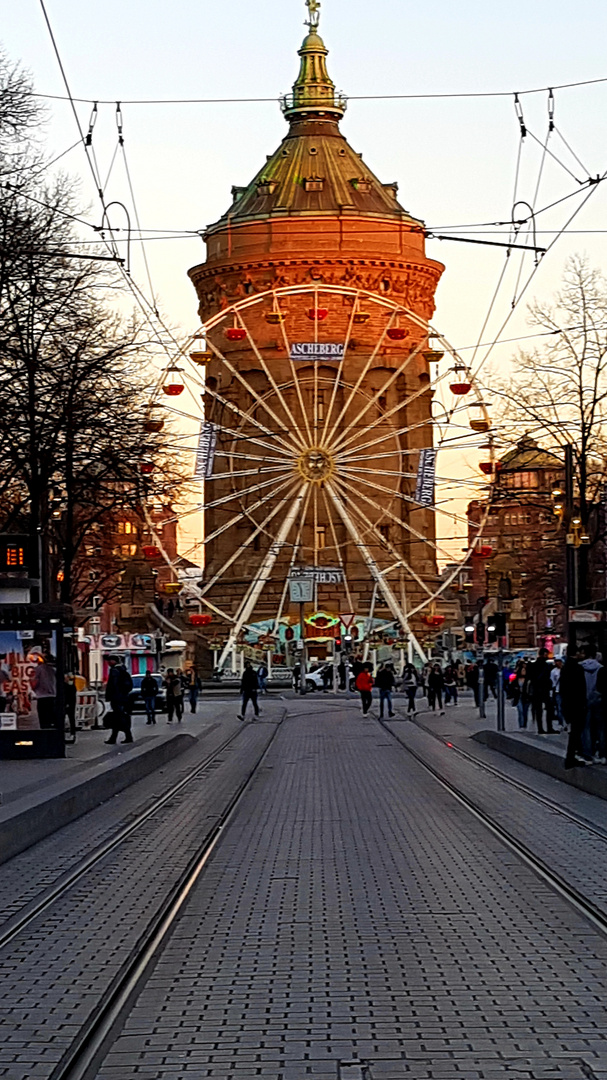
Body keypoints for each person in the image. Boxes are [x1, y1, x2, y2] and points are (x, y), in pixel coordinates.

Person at [561, 648, 591, 767]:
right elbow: (581, 689)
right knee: (576, 732)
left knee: (573, 732)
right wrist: (583, 703)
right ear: (576, 653)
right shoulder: (577, 668)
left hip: (568, 705)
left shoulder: (565, 668)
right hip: (577, 705)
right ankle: (572, 756)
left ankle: (573, 755)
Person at [579, 645, 604, 762]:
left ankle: (588, 753)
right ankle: (603, 753)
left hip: (584, 699)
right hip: (598, 699)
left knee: (586, 728)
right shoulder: (601, 668)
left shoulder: (580, 668)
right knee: (601, 728)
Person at [104, 655, 133, 744]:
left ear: (114, 661)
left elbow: (113, 685)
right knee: (117, 717)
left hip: (117, 698)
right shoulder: (123, 670)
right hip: (123, 698)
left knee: (119, 717)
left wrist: (111, 696)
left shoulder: (115, 671)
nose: (108, 663)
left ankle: (128, 736)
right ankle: (114, 738)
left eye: (109, 661)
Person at [528, 648, 554, 733]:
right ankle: (549, 727)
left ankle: (540, 728)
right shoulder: (546, 666)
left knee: (539, 710)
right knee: (549, 709)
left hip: (537, 689)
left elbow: (531, 677)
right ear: (543, 654)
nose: (547, 656)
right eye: (546, 654)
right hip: (544, 689)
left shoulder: (533, 665)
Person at [30, 651, 57, 730]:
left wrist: (32, 685)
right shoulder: (53, 669)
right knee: (52, 720)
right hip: (53, 697)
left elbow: (34, 683)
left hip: (42, 697)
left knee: (44, 722)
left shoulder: (38, 669)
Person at [511, 660, 532, 729]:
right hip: (518, 697)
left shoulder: (528, 680)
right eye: (522, 670)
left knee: (525, 712)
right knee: (520, 711)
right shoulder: (516, 679)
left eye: (524, 670)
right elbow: (511, 686)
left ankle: (524, 724)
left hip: (526, 697)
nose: (523, 671)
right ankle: (521, 725)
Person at [550, 658, 564, 729]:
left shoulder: (565, 669)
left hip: (564, 691)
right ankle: (560, 722)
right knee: (559, 708)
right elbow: (553, 682)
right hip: (558, 691)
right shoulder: (553, 671)